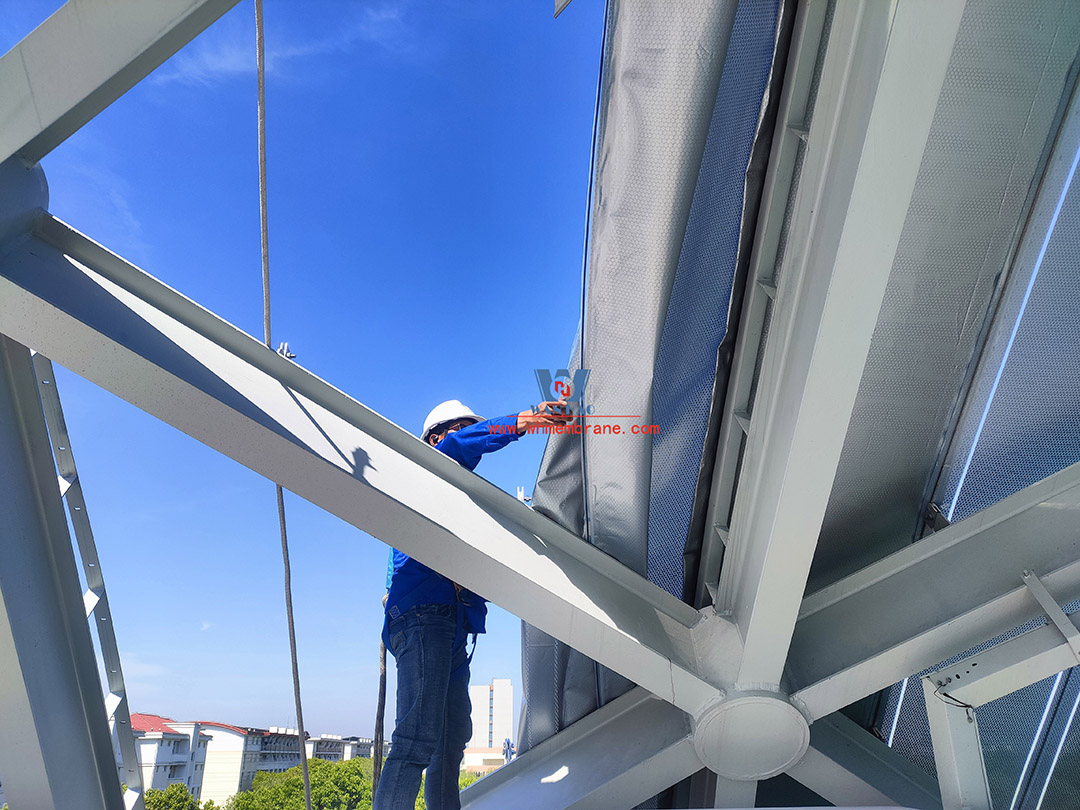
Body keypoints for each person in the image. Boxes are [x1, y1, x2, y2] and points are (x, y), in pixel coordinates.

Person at [373, 398, 571, 810]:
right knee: (415, 740)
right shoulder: (427, 468)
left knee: (449, 744)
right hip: (425, 616)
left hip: (448, 625)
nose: (465, 439)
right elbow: (459, 447)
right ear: (436, 438)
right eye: (459, 429)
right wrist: (522, 421)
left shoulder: (456, 500)